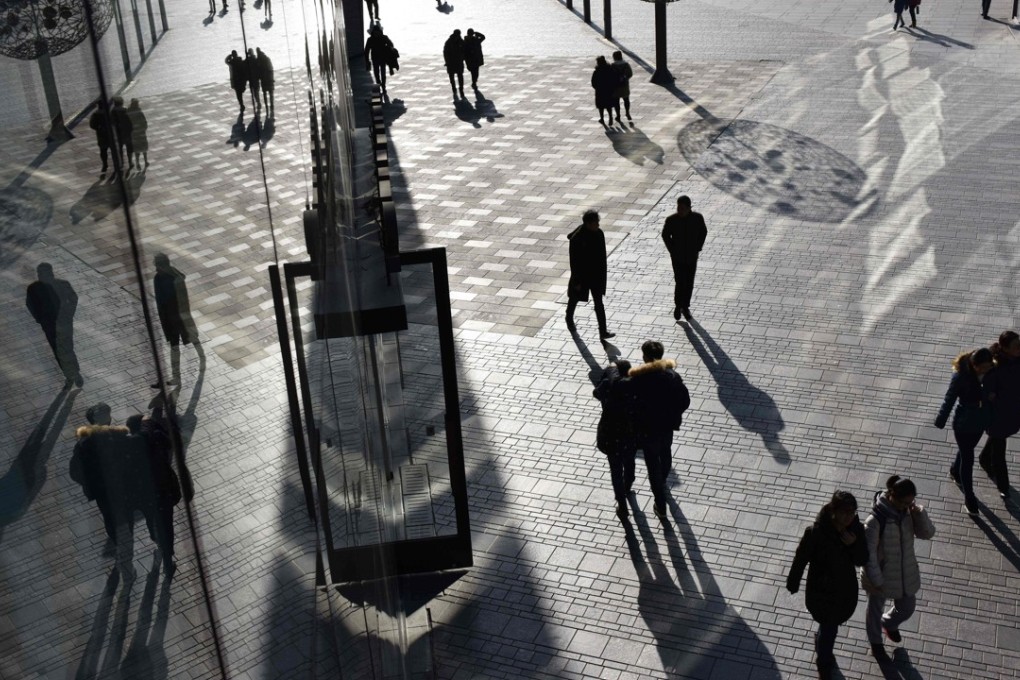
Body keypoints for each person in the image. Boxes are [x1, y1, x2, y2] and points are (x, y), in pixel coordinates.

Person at [786, 491, 868, 680]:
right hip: (821, 590)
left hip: (844, 590)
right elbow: (801, 558)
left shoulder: (856, 531)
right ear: (833, 511)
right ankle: (823, 663)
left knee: (829, 626)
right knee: (830, 627)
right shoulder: (816, 532)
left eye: (852, 512)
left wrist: (853, 544)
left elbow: (862, 559)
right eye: (845, 512)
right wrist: (793, 581)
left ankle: (822, 644)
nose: (849, 517)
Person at [862, 476, 935, 663]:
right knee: (875, 610)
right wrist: (877, 580)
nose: (907, 506)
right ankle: (876, 643)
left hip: (905, 571)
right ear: (892, 495)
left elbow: (927, 533)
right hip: (880, 575)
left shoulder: (908, 513)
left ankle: (889, 623)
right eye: (905, 502)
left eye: (911, 502)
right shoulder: (876, 520)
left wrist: (920, 514)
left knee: (907, 606)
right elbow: (868, 554)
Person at [70, 403, 137, 579]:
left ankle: (118, 545)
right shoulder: (121, 437)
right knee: (127, 521)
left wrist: (91, 483)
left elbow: (75, 472)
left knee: (110, 520)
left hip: (102, 493)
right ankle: (126, 557)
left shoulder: (84, 444)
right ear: (109, 419)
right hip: (123, 490)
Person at [627, 340, 690, 518]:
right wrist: (672, 415)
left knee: (653, 463)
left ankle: (660, 505)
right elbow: (684, 401)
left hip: (647, 429)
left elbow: (631, 403)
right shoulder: (672, 376)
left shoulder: (638, 378)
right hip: (666, 427)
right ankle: (662, 482)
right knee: (665, 453)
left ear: (646, 357)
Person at [935, 348, 994, 514]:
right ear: (974, 365)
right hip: (964, 424)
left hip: (981, 421)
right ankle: (970, 498)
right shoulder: (960, 377)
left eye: (987, 367)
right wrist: (941, 419)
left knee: (966, 451)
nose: (984, 370)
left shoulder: (991, 372)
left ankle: (955, 470)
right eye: (981, 368)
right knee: (968, 459)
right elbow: (949, 399)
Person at [126, 414, 181, 575]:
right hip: (163, 490)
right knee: (167, 523)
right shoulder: (155, 436)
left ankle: (156, 538)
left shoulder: (130, 446)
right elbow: (171, 442)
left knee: (152, 517)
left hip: (146, 494)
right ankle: (168, 558)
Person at [26, 263, 82, 388]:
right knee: (58, 349)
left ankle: (74, 373)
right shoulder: (34, 288)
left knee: (67, 348)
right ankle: (69, 375)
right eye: (41, 274)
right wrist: (40, 319)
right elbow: (31, 305)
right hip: (50, 324)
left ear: (51, 273)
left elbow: (73, 298)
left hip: (63, 322)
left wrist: (68, 314)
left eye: (45, 274)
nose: (43, 276)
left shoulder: (62, 284)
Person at [979, 331, 1020, 499]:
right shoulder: (994, 367)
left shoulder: (1017, 360)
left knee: (997, 439)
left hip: (1013, 410)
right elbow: (986, 389)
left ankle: (983, 458)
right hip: (998, 414)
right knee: (999, 449)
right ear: (1004, 348)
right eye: (1016, 346)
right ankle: (1003, 485)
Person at [152, 253, 203, 388]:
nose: (156, 268)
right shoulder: (159, 278)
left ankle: (200, 354)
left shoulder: (174, 278)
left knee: (188, 338)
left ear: (163, 266)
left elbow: (181, 301)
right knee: (174, 347)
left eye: (157, 265)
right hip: (169, 318)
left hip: (178, 318)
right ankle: (176, 377)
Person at [594, 360, 636, 519]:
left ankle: (622, 503)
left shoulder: (607, 385)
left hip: (610, 434)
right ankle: (629, 482)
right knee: (629, 459)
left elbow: (596, 392)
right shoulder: (634, 387)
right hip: (629, 433)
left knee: (615, 470)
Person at [566, 209, 614, 340]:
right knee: (575, 297)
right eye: (596, 222)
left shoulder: (599, 233)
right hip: (582, 276)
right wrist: (576, 281)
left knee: (599, 303)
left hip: (596, 275)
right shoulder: (577, 239)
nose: (598, 224)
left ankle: (603, 331)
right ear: (588, 223)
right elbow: (574, 262)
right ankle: (569, 316)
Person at [662, 195, 708, 321]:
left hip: (691, 257)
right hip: (678, 258)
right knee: (680, 281)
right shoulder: (671, 220)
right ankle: (678, 305)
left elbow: (703, 232)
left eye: (682, 208)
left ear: (689, 208)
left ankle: (685, 307)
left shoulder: (697, 218)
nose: (680, 210)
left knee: (689, 283)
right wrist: (672, 250)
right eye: (678, 207)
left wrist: (698, 247)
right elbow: (665, 235)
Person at [366, 24, 396, 92]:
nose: (376, 34)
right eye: (375, 33)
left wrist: (388, 48)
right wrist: (367, 60)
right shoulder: (370, 39)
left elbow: (391, 44)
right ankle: (379, 84)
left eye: (377, 32)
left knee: (383, 73)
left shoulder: (383, 37)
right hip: (375, 58)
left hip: (383, 58)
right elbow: (366, 51)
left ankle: (383, 86)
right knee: (376, 73)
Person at [590, 55, 618, 126]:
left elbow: (593, 81)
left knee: (600, 105)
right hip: (609, 90)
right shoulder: (610, 69)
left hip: (600, 90)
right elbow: (614, 79)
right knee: (608, 104)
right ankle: (610, 117)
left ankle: (602, 118)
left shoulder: (597, 71)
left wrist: (596, 87)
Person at [88, 99, 113, 174]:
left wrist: (99, 128)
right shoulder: (109, 113)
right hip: (110, 135)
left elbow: (92, 125)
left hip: (101, 135)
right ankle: (116, 164)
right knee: (113, 150)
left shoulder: (95, 114)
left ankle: (105, 164)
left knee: (103, 151)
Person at [110, 96, 134, 170]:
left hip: (118, 133)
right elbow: (131, 121)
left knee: (120, 148)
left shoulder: (113, 111)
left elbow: (112, 122)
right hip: (127, 132)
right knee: (129, 147)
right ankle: (130, 162)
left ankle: (121, 162)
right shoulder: (126, 110)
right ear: (122, 102)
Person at [610, 51, 633, 123]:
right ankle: (627, 112)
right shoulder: (626, 64)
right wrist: (625, 78)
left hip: (616, 86)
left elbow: (610, 75)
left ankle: (618, 115)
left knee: (616, 102)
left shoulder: (613, 65)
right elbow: (630, 73)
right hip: (624, 85)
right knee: (626, 99)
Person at [127, 99, 149, 168]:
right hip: (141, 133)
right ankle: (145, 161)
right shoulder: (139, 112)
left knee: (136, 149)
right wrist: (144, 128)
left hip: (133, 134)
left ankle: (137, 163)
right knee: (144, 148)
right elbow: (144, 122)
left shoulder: (128, 112)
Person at [443, 29, 465, 97]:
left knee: (460, 76)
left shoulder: (461, 41)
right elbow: (445, 52)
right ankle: (454, 89)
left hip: (458, 62)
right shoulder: (449, 42)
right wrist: (447, 61)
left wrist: (463, 57)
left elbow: (464, 50)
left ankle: (461, 89)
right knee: (452, 77)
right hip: (451, 62)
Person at [256, 48, 275, 112]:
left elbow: (258, 71)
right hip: (269, 79)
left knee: (265, 93)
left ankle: (267, 105)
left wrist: (258, 78)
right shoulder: (266, 58)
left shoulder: (258, 60)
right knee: (270, 93)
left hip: (264, 80)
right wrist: (272, 78)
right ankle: (271, 105)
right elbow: (271, 69)